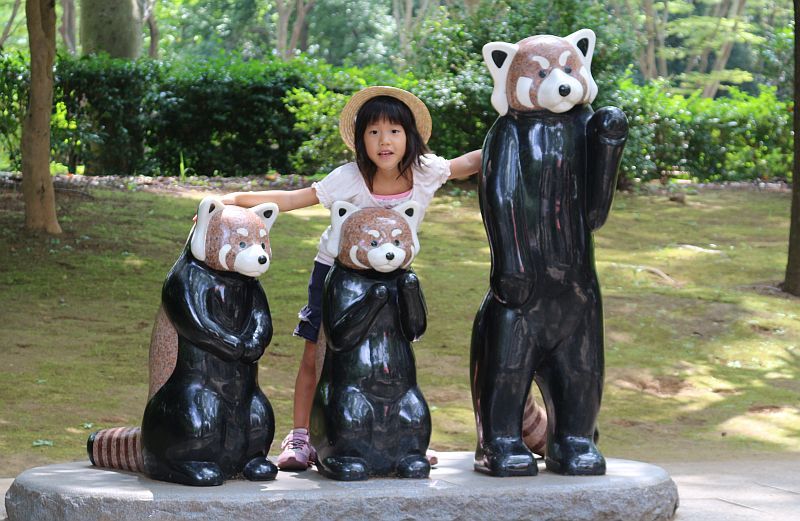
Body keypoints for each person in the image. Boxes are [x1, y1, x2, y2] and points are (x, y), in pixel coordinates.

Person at [222, 86, 481, 471]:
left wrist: (518, 125)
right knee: (318, 349)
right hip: (335, 273)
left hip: (393, 275)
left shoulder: (426, 171)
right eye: (373, 132)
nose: (384, 141)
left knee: (393, 357)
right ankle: (301, 437)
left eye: (394, 130)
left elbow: (473, 160)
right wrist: (231, 201)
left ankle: (397, 438)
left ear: (410, 135)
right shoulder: (349, 178)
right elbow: (294, 199)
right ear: (361, 140)